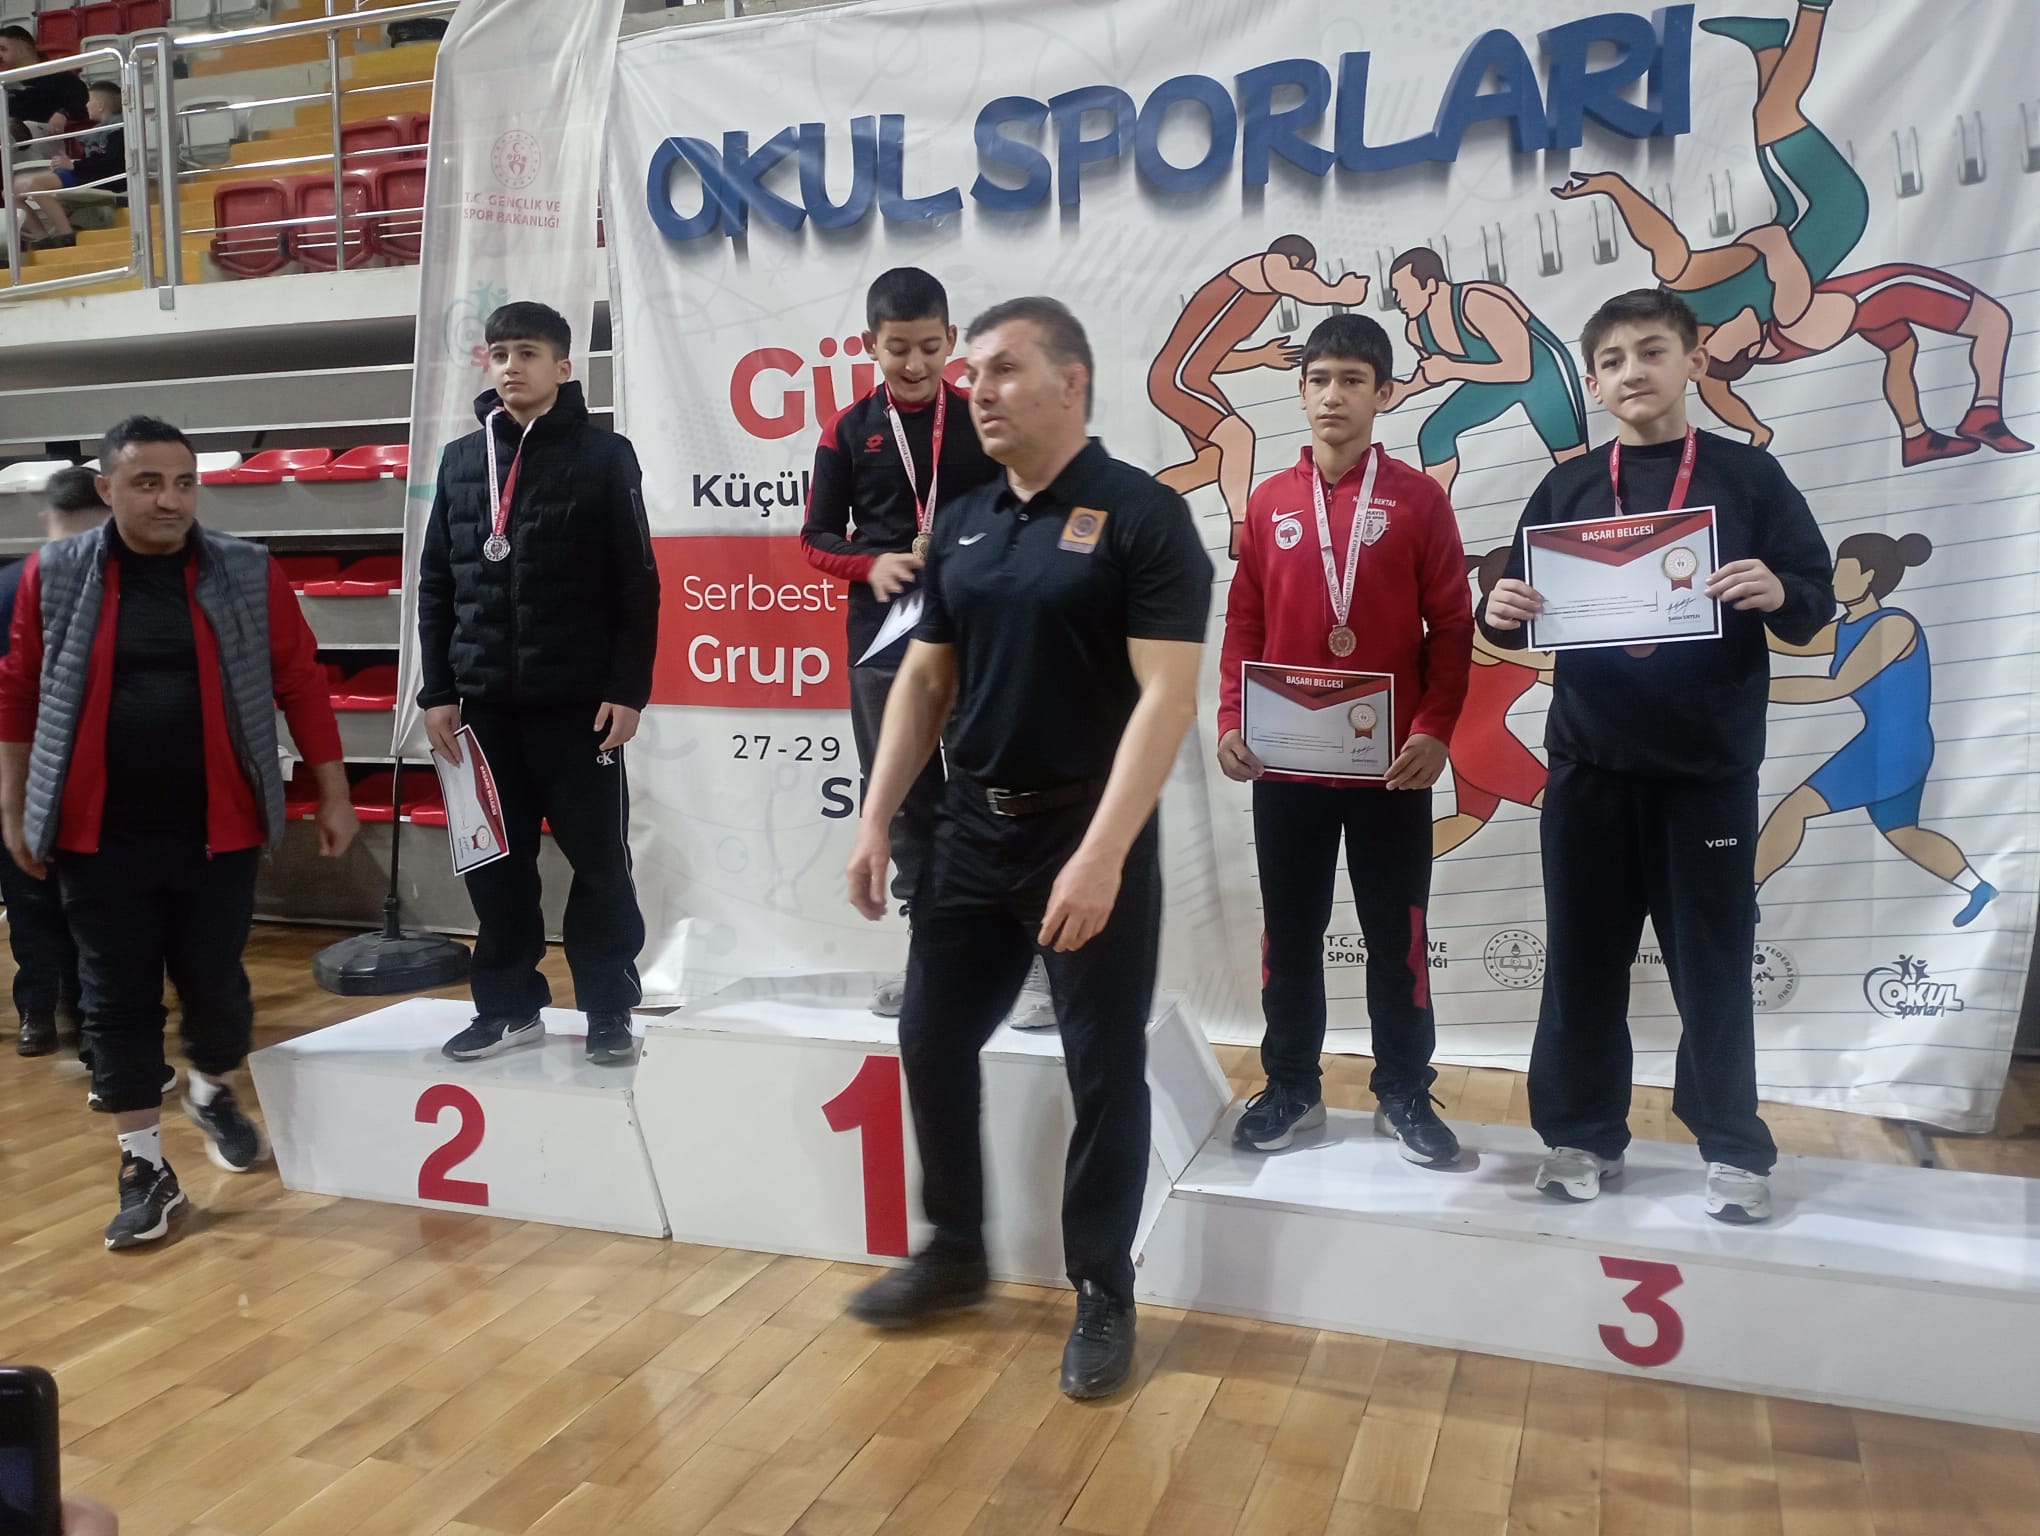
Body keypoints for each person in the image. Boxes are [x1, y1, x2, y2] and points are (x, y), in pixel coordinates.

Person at [843, 296, 1212, 1400]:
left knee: (1102, 1068)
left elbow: (1166, 700)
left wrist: (1101, 855)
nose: (978, 391)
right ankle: (955, 1253)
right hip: (970, 830)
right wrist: (875, 818)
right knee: (930, 1035)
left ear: (1072, 382)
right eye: (974, 374)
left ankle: (1102, 1288)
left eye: (1003, 369)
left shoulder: (1143, 516)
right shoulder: (964, 520)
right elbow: (925, 681)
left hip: (1085, 833)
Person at [1476, 290, 1832, 1224]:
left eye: (1651, 351)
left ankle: (1733, 1148)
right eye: (1612, 361)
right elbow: (1511, 609)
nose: (1632, 371)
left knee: (1713, 967)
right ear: (1595, 385)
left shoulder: (1748, 478)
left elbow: (1814, 598)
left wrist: (1778, 588)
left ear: (1693, 361)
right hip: (1589, 768)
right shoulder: (1567, 490)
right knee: (1582, 962)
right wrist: (1497, 611)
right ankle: (1580, 1136)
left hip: (1706, 773)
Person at [0, 417, 360, 1251]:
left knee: (216, 990)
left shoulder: (245, 568)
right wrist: (13, 808)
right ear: (107, 490)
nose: (170, 500)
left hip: (217, 831)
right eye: (147, 483)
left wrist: (333, 792)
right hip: (97, 835)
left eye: (184, 482)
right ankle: (143, 1168)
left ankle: (209, 1087)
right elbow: (17, 689)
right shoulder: (55, 575)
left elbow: (300, 680)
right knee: (113, 1000)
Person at [1214, 314, 1472, 1162]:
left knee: (1397, 934)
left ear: (1383, 393)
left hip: (1390, 767)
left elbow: (1453, 627)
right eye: (1319, 379)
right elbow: (1245, 622)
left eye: (1353, 380)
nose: (1333, 395)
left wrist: (1434, 729)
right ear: (1300, 392)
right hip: (1287, 765)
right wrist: (1230, 719)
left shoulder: (1420, 500)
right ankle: (1291, 1084)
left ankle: (1404, 1090)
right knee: (1290, 933)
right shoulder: (1268, 502)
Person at [417, 301, 660, 1067]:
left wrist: (627, 689)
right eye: (499, 353)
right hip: (484, 707)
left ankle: (608, 1009)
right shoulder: (461, 461)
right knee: (495, 865)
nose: (511, 366)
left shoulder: (606, 455)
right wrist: (438, 692)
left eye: (527, 352)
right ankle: (508, 1007)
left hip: (579, 706)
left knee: (600, 865)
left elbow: (637, 583)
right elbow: (436, 584)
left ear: (562, 366)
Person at [798, 267, 1023, 1020]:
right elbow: (814, 538)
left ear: (952, 339)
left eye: (930, 346)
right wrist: (871, 563)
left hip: (977, 631)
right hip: (884, 640)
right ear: (870, 345)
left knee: (1000, 790)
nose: (916, 363)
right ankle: (934, 964)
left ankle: (1027, 964)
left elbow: (1022, 509)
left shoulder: (982, 417)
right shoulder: (847, 429)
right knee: (905, 804)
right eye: (899, 348)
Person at [1759, 533, 1995, 927]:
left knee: (1794, 809)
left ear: (1868, 576)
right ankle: (1978, 887)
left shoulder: (1895, 625)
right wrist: (1736, 616)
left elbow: (1837, 686)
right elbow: (1792, 644)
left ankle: (1745, 895)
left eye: (1841, 569)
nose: (1832, 578)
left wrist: (1752, 691)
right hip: (1896, 744)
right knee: (1904, 833)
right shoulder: (1847, 626)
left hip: (1892, 746)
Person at [1150, 235, 1369, 557]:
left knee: (1213, 464)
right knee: (1238, 436)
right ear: (1295, 262)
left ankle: (1133, 506)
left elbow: (1213, 357)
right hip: (1177, 380)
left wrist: (1260, 355)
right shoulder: (1261, 268)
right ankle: (1243, 534)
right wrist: (1336, 292)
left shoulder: (1256, 290)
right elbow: (1286, 277)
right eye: (1306, 271)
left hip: (1188, 378)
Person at [1702, 263, 2033, 465]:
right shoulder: (1791, 319)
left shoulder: (1768, 343)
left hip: (1869, 314)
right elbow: (1777, 244)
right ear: (1747, 348)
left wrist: (1755, 429)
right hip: (1893, 292)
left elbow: (1717, 390)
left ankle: (1916, 436)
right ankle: (1984, 413)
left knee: (1902, 352)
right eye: (1724, 333)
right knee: (1994, 320)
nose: (1720, 325)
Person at [2, 467, 105, 1057]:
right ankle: (94, 1018)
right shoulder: (124, 588)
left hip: (18, 768)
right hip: (95, 771)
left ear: (47, 518)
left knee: (29, 898)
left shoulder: (10, 583)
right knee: (102, 904)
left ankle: (37, 1014)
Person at [1383, 249, 1589, 493]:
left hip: (1540, 373)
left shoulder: (1476, 301)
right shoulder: (1417, 330)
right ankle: (1436, 508)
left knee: (1571, 457)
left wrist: (1452, 368)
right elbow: (1435, 370)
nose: (1398, 301)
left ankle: (1588, 502)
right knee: (1434, 434)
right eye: (1395, 293)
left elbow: (1521, 368)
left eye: (1403, 291)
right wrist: (1406, 390)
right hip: (1492, 380)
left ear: (1430, 285)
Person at [1433, 546, 1555, 858]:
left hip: (1473, 748)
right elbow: (1552, 665)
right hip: (1487, 751)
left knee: (1465, 821)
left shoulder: (1496, 636)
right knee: (1564, 806)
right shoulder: (1491, 635)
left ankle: (1388, 866)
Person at [12, 79, 124, 251]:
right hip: (86, 174)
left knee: (36, 185)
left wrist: (73, 166)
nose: (86, 105)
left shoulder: (118, 130)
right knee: (11, 192)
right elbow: (95, 161)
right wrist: (70, 164)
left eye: (89, 100)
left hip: (99, 179)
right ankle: (43, 239)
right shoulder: (100, 130)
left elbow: (111, 165)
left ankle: (67, 236)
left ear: (100, 105)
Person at [0, 26, 87, 146]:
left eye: (3, 49)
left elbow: (82, 102)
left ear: (23, 48)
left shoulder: (59, 77)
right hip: (8, 142)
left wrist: (64, 113)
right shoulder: (3, 83)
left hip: (45, 139)